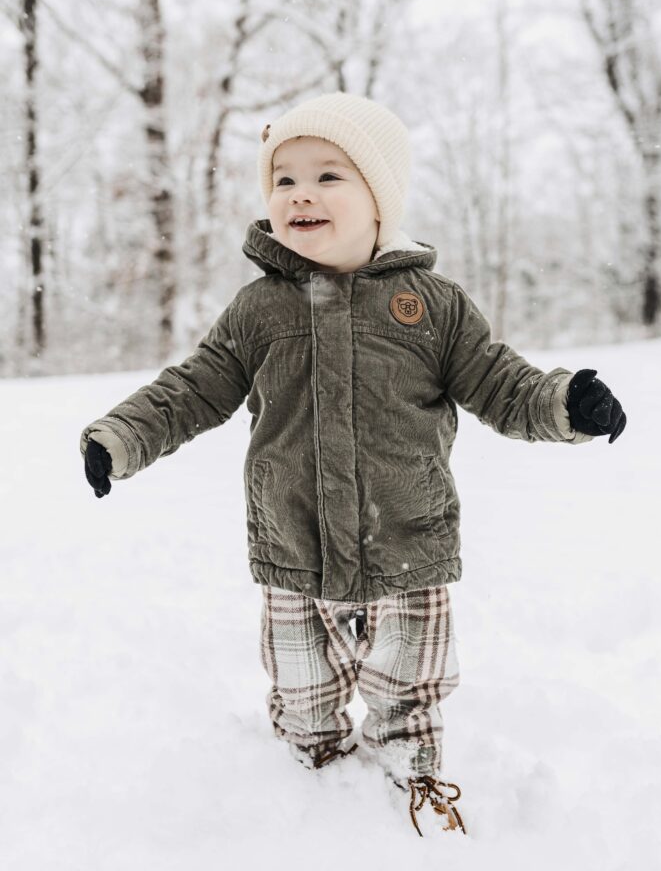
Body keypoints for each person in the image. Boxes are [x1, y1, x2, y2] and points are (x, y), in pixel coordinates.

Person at [80, 91, 626, 837]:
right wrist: (120, 437)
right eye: (283, 179)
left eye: (328, 176)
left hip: (408, 543)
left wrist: (565, 405)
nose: (299, 194)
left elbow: (503, 384)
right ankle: (310, 788)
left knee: (409, 689)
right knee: (303, 697)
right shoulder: (258, 311)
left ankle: (415, 782)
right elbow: (192, 389)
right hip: (294, 546)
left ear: (379, 199)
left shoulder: (433, 307)